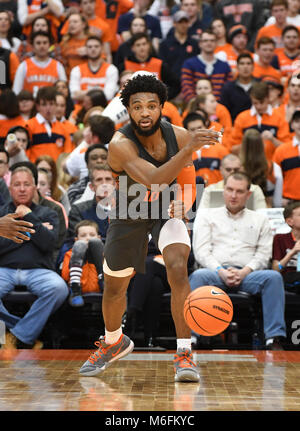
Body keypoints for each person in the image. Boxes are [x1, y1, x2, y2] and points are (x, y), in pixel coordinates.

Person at [78, 72, 220, 380]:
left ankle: (184, 353)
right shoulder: (119, 144)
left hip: (166, 208)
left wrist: (185, 200)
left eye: (151, 106)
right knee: (115, 285)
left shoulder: (180, 136)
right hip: (129, 209)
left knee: (178, 266)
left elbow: (186, 181)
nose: (145, 112)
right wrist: (186, 151)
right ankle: (114, 341)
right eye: (137, 106)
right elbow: (154, 178)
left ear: (162, 107)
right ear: (128, 110)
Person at [189, 171, 286, 350]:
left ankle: (274, 338)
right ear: (223, 190)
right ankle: (194, 336)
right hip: (215, 273)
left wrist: (244, 271)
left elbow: (264, 254)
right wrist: (221, 271)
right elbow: (201, 251)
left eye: (239, 191)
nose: (234, 195)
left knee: (273, 278)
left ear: (248, 194)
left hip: (248, 275)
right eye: (230, 190)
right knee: (198, 275)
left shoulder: (260, 219)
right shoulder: (206, 216)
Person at [0, 166, 69, 350]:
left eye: (26, 184)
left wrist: (28, 217)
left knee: (59, 288)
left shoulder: (49, 213)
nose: (22, 189)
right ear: (10, 189)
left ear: (34, 187)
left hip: (38, 270)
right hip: (4, 269)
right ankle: (19, 333)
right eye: (17, 184)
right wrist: (33, 232)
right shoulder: (1, 214)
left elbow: (48, 244)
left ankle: (14, 336)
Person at [229, 81, 290, 161]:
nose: (259, 106)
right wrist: (248, 143)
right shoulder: (242, 118)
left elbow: (287, 148)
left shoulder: (279, 117)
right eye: (255, 103)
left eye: (262, 102)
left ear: (268, 98)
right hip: (248, 166)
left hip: (272, 165)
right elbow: (232, 149)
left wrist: (273, 139)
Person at [118, 32, 181, 101]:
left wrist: (163, 98)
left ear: (149, 45)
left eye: (144, 44)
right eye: (138, 45)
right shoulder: (125, 65)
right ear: (133, 48)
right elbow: (118, 87)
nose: (142, 47)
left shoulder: (159, 64)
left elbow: (176, 84)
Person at [199, 153, 267, 210]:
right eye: (228, 169)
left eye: (236, 169)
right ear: (221, 170)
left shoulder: (255, 190)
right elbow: (202, 216)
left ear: (242, 169)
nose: (232, 172)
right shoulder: (210, 190)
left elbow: (262, 214)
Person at [181, 29, 233, 102]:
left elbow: (228, 89)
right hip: (196, 106)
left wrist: (214, 103)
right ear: (200, 44)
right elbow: (186, 87)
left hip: (219, 106)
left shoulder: (224, 66)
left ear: (216, 43)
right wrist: (196, 104)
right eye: (205, 41)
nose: (209, 43)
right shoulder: (189, 64)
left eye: (212, 41)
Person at [61, 219, 104, 306]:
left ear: (99, 237)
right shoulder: (70, 254)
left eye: (92, 235)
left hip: (102, 288)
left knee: (96, 245)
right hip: (80, 290)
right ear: (76, 239)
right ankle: (75, 288)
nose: (88, 238)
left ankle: (103, 279)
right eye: (83, 235)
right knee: (80, 246)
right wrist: (81, 260)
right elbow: (65, 276)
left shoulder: (106, 255)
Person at [25, 86, 73, 163]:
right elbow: (26, 151)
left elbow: (67, 153)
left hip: (57, 171)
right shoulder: (29, 125)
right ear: (38, 106)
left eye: (51, 104)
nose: (48, 108)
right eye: (44, 104)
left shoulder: (63, 128)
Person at [12, 31, 67, 97]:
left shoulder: (58, 66)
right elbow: (16, 91)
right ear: (32, 46)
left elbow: (64, 93)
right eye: (38, 43)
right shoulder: (23, 66)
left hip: (52, 106)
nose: (42, 46)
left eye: (45, 43)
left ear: (49, 45)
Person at [239, 128, 283, 208]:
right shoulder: (274, 168)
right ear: (262, 145)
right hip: (265, 210)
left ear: (243, 145)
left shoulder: (236, 167)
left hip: (240, 211)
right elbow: (277, 202)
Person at [69, 35, 119, 103]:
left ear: (102, 48)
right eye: (90, 47)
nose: (93, 49)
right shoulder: (77, 70)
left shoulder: (111, 69)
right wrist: (99, 90)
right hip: (81, 110)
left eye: (96, 46)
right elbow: (74, 95)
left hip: (104, 110)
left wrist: (82, 93)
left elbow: (108, 95)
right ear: (86, 49)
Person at [183, 111, 229, 186]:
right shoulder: (183, 153)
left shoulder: (220, 150)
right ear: (187, 132)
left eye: (200, 127)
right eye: (192, 129)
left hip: (216, 194)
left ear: (206, 127)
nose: (198, 132)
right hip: (192, 194)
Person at [158, 10, 200, 79]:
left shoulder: (194, 44)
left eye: (185, 22)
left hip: (190, 81)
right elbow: (162, 65)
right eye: (180, 22)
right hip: (170, 83)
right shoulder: (165, 44)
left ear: (189, 23)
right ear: (174, 23)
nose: (183, 25)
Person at [220, 53, 258, 122]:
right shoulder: (228, 88)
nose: (245, 67)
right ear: (237, 67)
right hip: (234, 126)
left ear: (253, 67)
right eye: (242, 64)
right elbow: (224, 113)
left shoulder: (260, 86)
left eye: (248, 64)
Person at [273, 109, 300, 204]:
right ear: (292, 125)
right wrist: (279, 200)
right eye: (297, 121)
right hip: (289, 201)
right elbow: (277, 179)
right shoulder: (281, 150)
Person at [272, 201, 300, 292]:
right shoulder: (280, 239)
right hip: (289, 278)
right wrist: (292, 252)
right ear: (289, 221)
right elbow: (277, 269)